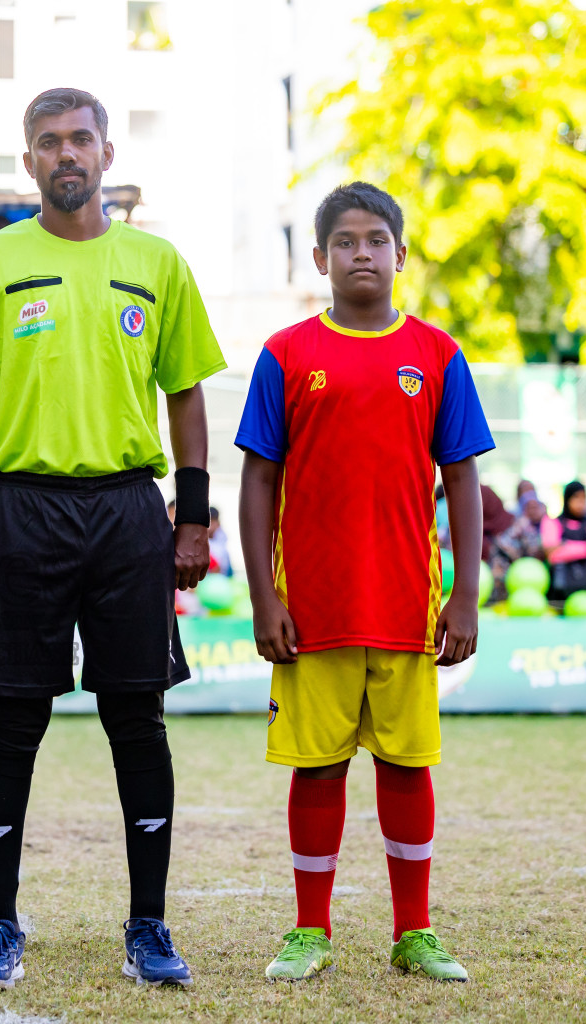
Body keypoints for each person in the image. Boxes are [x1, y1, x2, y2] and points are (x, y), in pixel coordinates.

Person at [0, 87, 225, 991]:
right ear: (28, 160)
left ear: (107, 152)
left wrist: (191, 514)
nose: (65, 154)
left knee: (136, 717)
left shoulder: (157, 260)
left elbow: (185, 393)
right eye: (47, 142)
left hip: (128, 513)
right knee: (11, 722)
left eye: (80, 139)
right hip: (22, 509)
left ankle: (149, 926)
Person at [236, 182, 492, 984]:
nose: (361, 254)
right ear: (319, 258)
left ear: (401, 255)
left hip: (406, 606)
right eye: (344, 241)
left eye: (376, 240)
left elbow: (462, 482)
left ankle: (414, 931)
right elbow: (257, 482)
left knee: (406, 765)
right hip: (311, 609)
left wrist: (464, 593)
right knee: (316, 767)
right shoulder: (285, 354)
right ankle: (310, 929)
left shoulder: (439, 355)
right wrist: (263, 597)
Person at [541, 482, 586, 598]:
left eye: (583, 498)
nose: (581, 502)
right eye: (576, 497)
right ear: (567, 498)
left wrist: (564, 545)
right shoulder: (551, 521)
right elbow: (552, 554)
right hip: (561, 589)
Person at [491, 496, 546, 570]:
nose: (534, 511)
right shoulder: (523, 523)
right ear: (525, 510)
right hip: (512, 561)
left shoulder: (543, 524)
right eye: (531, 508)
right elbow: (504, 542)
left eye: (536, 508)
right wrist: (516, 557)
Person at [208, 506, 232, 576]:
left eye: (213, 522)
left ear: (218, 523)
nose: (210, 526)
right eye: (209, 522)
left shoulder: (222, 538)